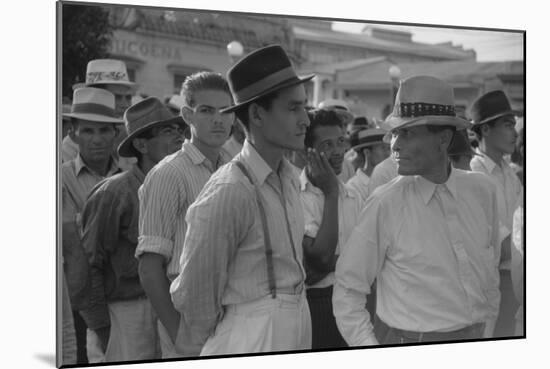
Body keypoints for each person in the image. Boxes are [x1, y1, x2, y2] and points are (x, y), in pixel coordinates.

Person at [333, 76, 502, 346]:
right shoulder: (385, 203)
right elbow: (347, 290)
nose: (394, 144)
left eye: (407, 133)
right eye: (395, 133)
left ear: (444, 139)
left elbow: (490, 272)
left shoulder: (483, 191)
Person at [170, 44, 313, 355]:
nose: (305, 120)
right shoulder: (231, 189)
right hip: (249, 334)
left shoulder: (288, 177)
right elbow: (196, 297)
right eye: (293, 108)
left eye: (305, 107)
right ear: (257, 114)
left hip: (296, 322)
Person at [79, 97, 186, 362]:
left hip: (172, 308)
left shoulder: (182, 184)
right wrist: (103, 329)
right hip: (125, 314)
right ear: (140, 144)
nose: (178, 138)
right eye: (167, 131)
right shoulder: (114, 193)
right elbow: (87, 265)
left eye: (178, 130)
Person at [136, 72, 234, 358]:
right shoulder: (169, 174)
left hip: (233, 313)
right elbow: (149, 266)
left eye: (225, 110)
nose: (218, 119)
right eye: (206, 110)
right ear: (188, 115)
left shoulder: (234, 169)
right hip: (188, 318)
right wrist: (178, 333)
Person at [61, 87, 123, 364]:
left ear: (116, 134)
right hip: (78, 297)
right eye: (87, 131)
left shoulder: (133, 176)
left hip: (125, 296)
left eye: (104, 131)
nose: (97, 139)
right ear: (73, 134)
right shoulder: (58, 177)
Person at [299, 108, 363, 349]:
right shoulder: (295, 196)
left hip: (352, 302)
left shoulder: (353, 196)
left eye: (340, 142)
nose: (337, 152)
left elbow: (366, 259)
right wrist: (331, 192)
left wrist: (335, 262)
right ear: (308, 152)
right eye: (327, 144)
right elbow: (320, 261)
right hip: (316, 305)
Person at [469, 90, 523, 337]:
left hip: (515, 278)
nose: (515, 133)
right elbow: (499, 245)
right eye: (507, 124)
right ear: (485, 130)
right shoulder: (473, 174)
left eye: (514, 125)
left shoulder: (510, 173)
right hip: (487, 281)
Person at [71, 59, 140, 171]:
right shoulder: (71, 145)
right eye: (117, 97)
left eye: (128, 97)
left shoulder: (129, 135)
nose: (125, 104)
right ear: (96, 94)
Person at [345, 126, 391, 204]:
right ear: (367, 152)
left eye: (389, 149)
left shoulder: (390, 178)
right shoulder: (354, 187)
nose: (388, 154)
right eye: (383, 148)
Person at [318, 99, 356, 182]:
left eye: (345, 125)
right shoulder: (307, 163)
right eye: (337, 124)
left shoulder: (347, 166)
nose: (342, 130)